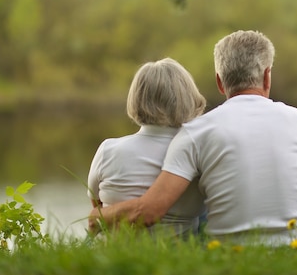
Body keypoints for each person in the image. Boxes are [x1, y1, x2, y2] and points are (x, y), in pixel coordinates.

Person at [89, 30, 297, 244]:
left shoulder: (197, 131)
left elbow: (150, 209)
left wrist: (97, 216)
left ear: (220, 82)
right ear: (267, 76)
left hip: (230, 253)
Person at [87, 58, 207, 237]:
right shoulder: (198, 150)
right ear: (188, 98)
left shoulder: (108, 150)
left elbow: (97, 206)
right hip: (182, 251)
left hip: (116, 251)